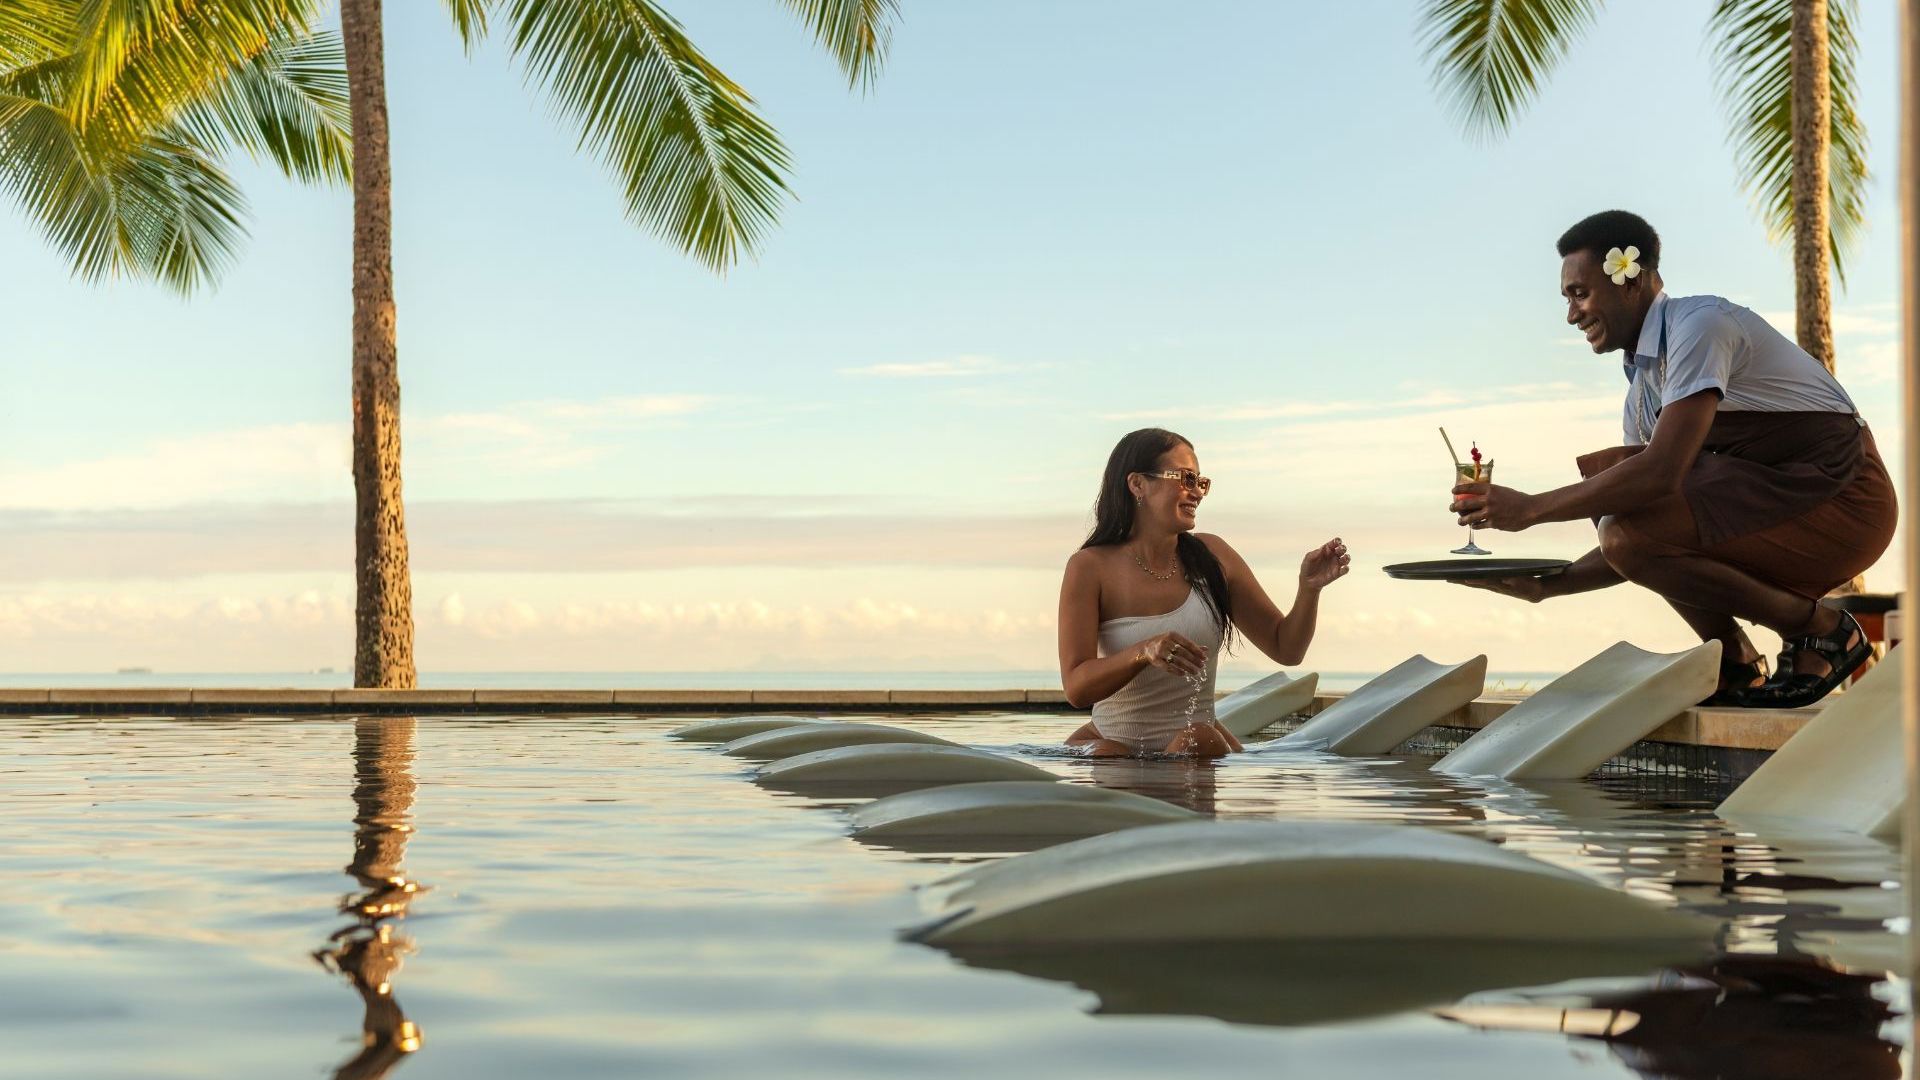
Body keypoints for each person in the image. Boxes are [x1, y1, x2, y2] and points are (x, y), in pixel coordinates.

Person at [1451, 210, 1895, 708]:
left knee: (1629, 488)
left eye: (1580, 293)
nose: (1571, 315)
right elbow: (1635, 542)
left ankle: (1822, 631)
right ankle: (1733, 659)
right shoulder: (1643, 393)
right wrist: (1549, 586)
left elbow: (1659, 476)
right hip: (1774, 507)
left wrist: (1530, 509)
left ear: (1630, 279)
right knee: (1619, 491)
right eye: (1567, 299)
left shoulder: (1700, 325)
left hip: (1846, 502)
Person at [1059, 428, 1349, 757]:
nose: (1197, 492)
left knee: (1198, 738)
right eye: (1185, 479)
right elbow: (1076, 688)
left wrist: (1309, 590)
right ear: (1138, 484)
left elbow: (1287, 649)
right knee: (1107, 753)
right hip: (1112, 746)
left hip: (1196, 746)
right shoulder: (1089, 567)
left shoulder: (1214, 557)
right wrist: (1145, 651)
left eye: (1201, 482)